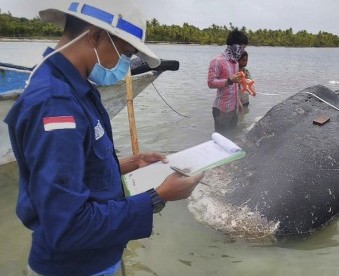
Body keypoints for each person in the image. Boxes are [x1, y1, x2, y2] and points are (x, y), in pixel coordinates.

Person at [3, 1, 204, 275]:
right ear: (96, 36)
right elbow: (68, 225)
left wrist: (131, 163)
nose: (125, 65)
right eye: (125, 53)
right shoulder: (56, 105)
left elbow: (73, 171)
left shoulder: (78, 88)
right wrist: (158, 197)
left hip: (96, 258)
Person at [207, 29, 249, 136]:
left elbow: (235, 86)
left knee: (232, 138)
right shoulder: (217, 61)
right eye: (242, 47)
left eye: (244, 48)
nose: (243, 50)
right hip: (222, 110)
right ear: (234, 46)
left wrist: (238, 102)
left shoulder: (235, 62)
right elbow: (210, 83)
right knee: (221, 142)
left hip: (233, 109)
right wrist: (229, 80)